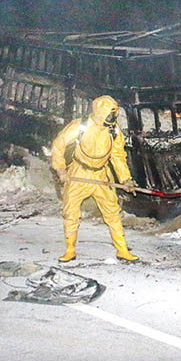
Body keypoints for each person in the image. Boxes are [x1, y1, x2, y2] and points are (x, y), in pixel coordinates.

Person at [50, 95, 139, 262]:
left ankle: (122, 250)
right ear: (100, 112)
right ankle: (70, 250)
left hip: (102, 175)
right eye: (109, 114)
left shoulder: (114, 131)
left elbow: (118, 156)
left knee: (112, 213)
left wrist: (125, 179)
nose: (112, 118)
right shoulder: (80, 126)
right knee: (71, 212)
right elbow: (58, 144)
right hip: (79, 173)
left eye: (114, 114)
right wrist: (60, 169)